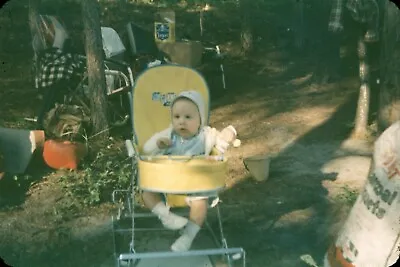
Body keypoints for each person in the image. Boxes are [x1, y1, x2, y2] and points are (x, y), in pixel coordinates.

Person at [142, 90, 234, 252]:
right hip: (169, 180)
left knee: (201, 203)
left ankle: (188, 237)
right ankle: (166, 216)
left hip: (196, 182)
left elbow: (223, 141)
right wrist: (158, 144)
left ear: (200, 119)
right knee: (146, 191)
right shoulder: (169, 135)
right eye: (177, 117)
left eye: (188, 117)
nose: (181, 122)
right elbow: (146, 150)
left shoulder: (207, 135)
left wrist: (229, 133)